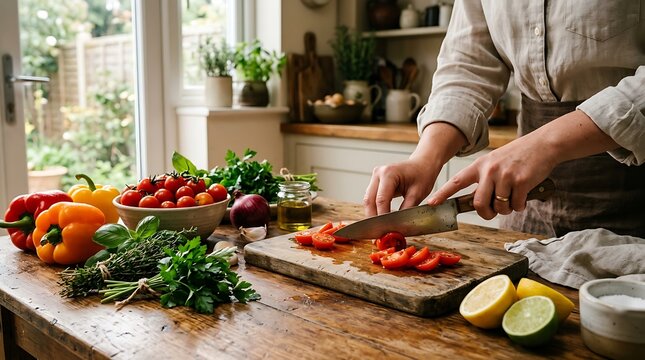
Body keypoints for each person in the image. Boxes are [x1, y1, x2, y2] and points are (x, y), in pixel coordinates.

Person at [364, 0, 645, 238]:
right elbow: (468, 66)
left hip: (632, 198)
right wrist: (425, 158)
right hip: (527, 206)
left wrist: (545, 144)